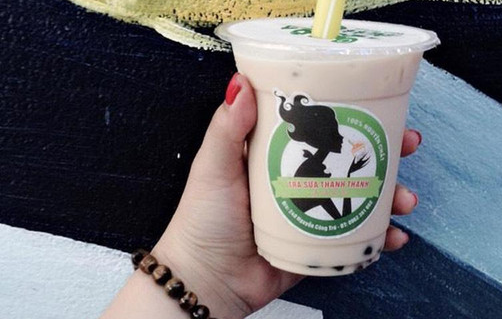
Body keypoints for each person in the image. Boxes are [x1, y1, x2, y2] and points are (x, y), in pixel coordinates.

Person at [100, 74, 422, 319]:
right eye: (335, 132)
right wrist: (351, 179)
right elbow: (335, 210)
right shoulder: (311, 167)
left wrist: (203, 274)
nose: (340, 137)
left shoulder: (315, 164)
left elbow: (333, 208)